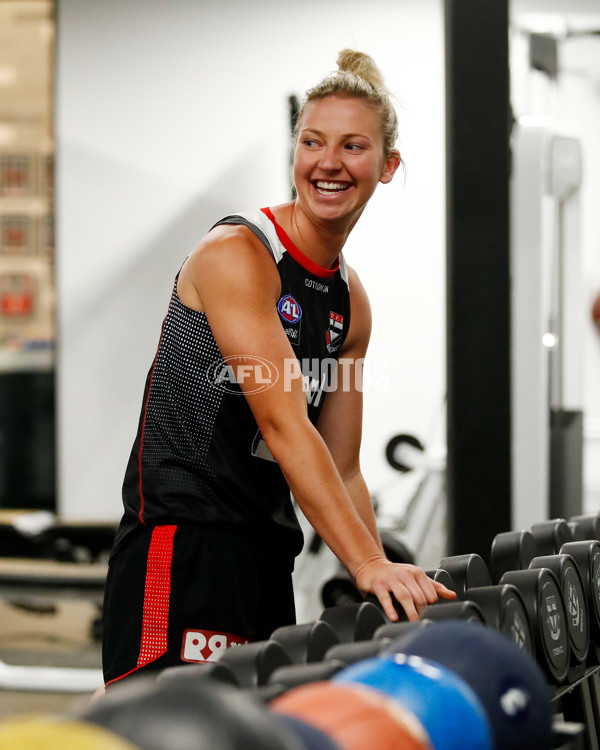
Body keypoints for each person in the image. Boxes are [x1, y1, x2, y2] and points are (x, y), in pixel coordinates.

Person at [102, 49, 455, 687]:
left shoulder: (351, 305)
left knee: (257, 729)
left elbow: (342, 467)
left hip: (268, 552)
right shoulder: (238, 255)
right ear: (295, 153)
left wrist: (373, 580)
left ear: (387, 165)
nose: (329, 162)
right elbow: (286, 423)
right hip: (185, 542)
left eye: (353, 146)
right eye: (313, 142)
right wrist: (370, 562)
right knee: (166, 728)